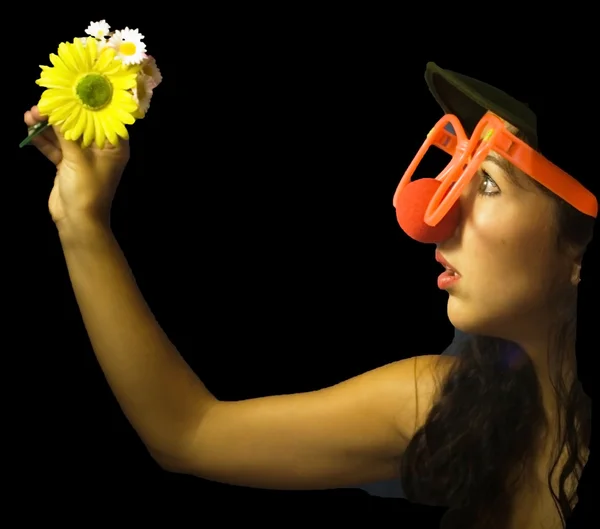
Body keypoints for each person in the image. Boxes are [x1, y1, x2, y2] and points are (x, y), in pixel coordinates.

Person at [24, 62, 594, 528]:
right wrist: (81, 221)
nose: (430, 217)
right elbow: (187, 433)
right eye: (455, 174)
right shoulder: (444, 403)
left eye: (488, 182)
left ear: (581, 249)